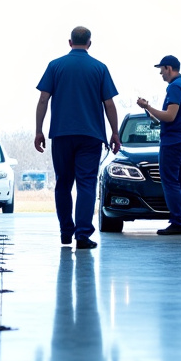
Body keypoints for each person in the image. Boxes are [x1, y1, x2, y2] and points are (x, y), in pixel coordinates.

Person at [35, 26, 121, 250]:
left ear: (70, 42)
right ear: (90, 43)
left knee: (63, 183)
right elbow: (109, 104)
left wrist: (39, 130)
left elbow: (43, 99)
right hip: (91, 136)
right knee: (86, 185)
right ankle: (82, 235)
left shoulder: (55, 66)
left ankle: (66, 233)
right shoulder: (99, 68)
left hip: (62, 135)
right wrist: (115, 132)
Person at [137, 55, 181, 235]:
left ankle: (178, 221)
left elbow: (170, 116)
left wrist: (148, 106)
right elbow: (169, 119)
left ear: (169, 68)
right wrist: (150, 112)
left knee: (170, 182)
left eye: (161, 70)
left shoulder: (175, 87)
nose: (161, 74)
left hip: (173, 142)